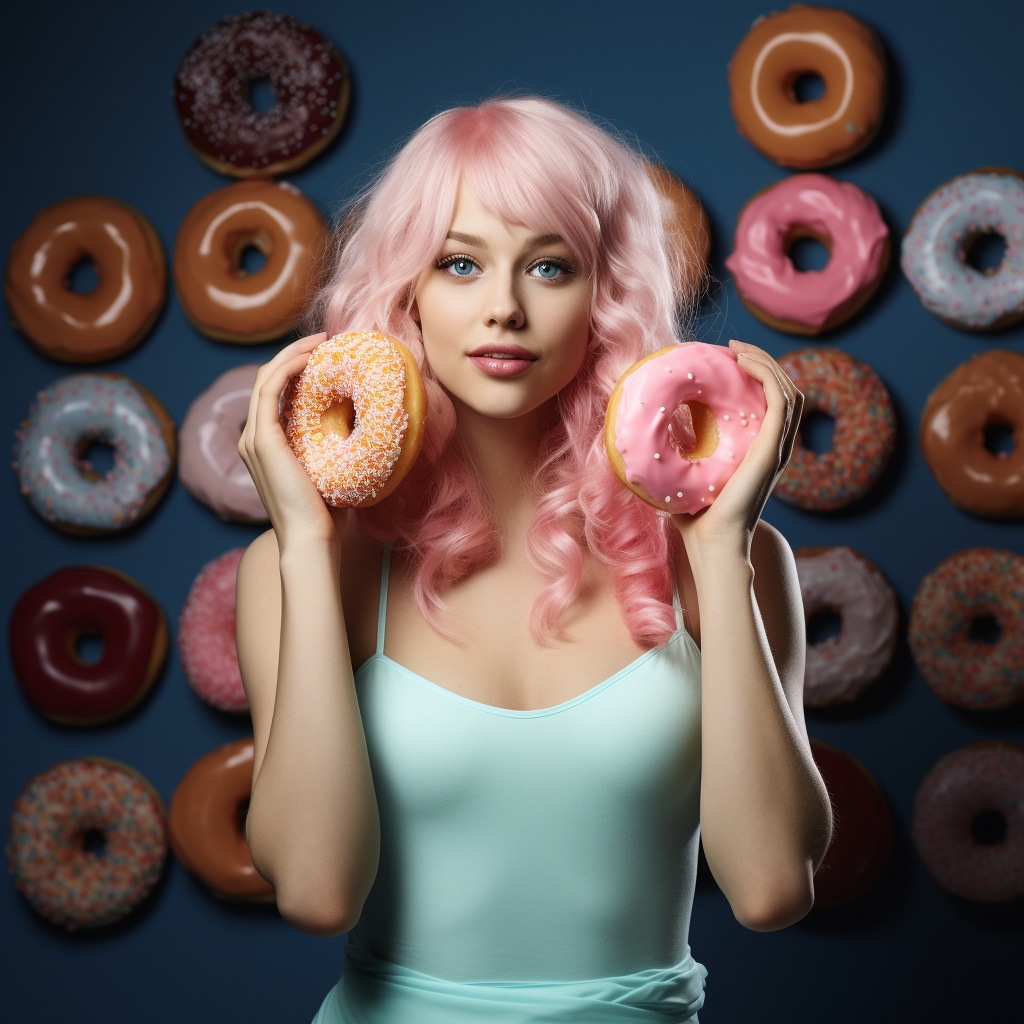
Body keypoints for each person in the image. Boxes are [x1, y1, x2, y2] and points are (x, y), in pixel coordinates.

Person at [235, 95, 832, 1023]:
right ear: (408, 293)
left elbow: (769, 890)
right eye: (461, 263)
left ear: (606, 299)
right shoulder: (302, 566)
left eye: (549, 266)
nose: (504, 308)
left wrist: (717, 548)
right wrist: (309, 542)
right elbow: (315, 893)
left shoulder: (733, 559)